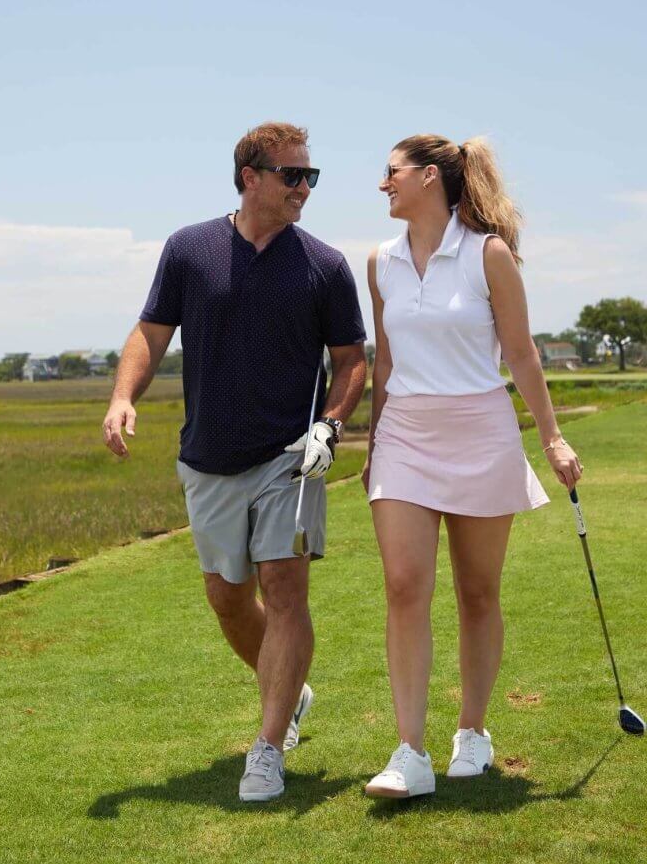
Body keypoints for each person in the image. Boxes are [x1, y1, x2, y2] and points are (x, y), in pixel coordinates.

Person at [103, 121, 366, 803]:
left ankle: (268, 747)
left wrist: (330, 426)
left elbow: (351, 360)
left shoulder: (325, 265)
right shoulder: (189, 250)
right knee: (227, 597)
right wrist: (122, 396)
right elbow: (149, 331)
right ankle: (292, 690)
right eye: (292, 174)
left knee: (284, 589)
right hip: (209, 459)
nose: (304, 186)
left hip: (291, 459)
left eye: (311, 175)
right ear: (250, 176)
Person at [361, 134, 582, 799]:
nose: (383, 184)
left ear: (429, 177)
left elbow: (522, 353)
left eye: (391, 172)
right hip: (404, 434)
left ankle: (473, 731)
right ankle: (409, 752)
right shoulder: (380, 261)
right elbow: (385, 360)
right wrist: (374, 443)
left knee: (477, 592)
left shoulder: (488, 255)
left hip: (481, 432)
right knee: (404, 587)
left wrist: (552, 439)